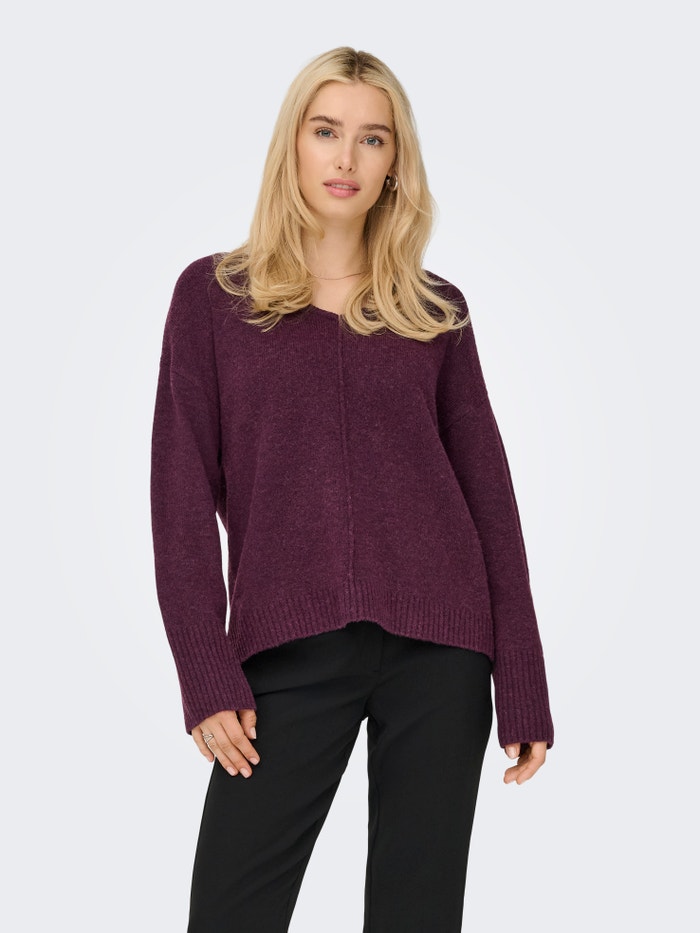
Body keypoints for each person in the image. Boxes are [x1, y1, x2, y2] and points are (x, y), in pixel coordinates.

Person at [150, 46, 554, 933]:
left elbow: (490, 498)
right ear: (292, 144)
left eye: (373, 138)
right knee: (229, 913)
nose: (346, 157)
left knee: (416, 917)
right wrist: (205, 671)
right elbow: (178, 498)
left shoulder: (434, 310)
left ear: (395, 162)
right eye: (326, 131)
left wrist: (521, 677)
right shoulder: (215, 297)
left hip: (442, 649)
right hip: (284, 651)